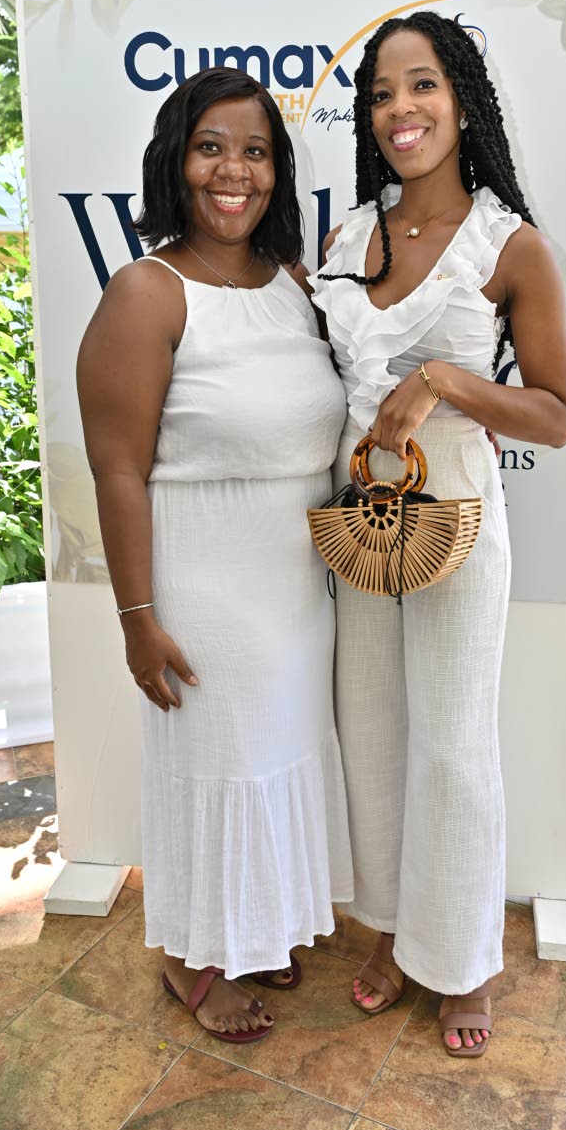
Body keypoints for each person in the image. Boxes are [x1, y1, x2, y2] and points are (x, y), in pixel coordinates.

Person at [309, 11, 566, 1058]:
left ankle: (459, 960)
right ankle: (387, 933)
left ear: (460, 98)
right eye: (379, 94)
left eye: (420, 86)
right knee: (370, 736)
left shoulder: (508, 245)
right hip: (360, 518)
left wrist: (444, 381)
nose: (398, 111)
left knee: (453, 747)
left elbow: (555, 413)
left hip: (457, 515)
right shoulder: (345, 236)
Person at [77, 67, 353, 1043]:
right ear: (174, 162)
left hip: (294, 586)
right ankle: (190, 962)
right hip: (203, 585)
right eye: (210, 148)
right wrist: (135, 620)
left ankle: (259, 924)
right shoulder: (145, 293)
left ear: (275, 170)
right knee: (217, 767)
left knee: (276, 756)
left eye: (254, 150)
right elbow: (116, 473)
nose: (232, 171)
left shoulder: (293, 285)